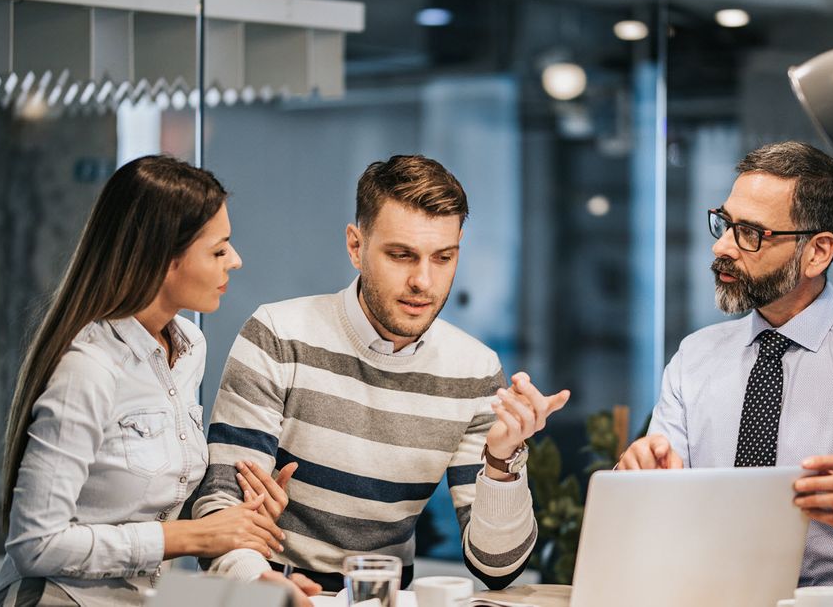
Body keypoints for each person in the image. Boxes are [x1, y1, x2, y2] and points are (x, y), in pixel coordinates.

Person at [194, 154, 569, 593]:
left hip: (381, 600)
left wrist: (503, 461)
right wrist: (261, 586)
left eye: (443, 257)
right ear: (356, 246)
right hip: (270, 593)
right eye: (401, 255)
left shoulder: (475, 371)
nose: (423, 282)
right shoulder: (279, 335)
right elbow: (219, 507)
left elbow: (497, 568)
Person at [616, 142, 833, 601]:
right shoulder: (694, 359)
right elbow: (659, 520)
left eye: (750, 233)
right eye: (725, 223)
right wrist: (635, 485)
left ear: (817, 252)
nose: (721, 247)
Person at [0, 156, 318, 606]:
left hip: (143, 596)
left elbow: (155, 503)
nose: (235, 261)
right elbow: (33, 545)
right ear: (164, 260)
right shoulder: (89, 367)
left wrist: (252, 568)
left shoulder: (189, 348)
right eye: (219, 250)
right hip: (59, 597)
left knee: (279, 603)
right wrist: (191, 537)